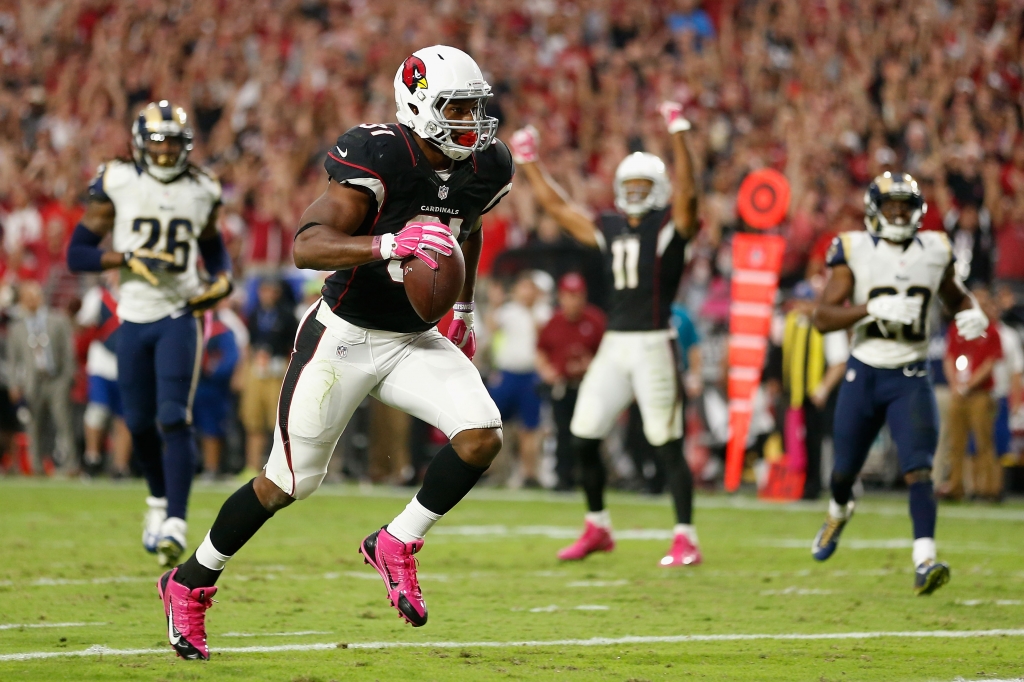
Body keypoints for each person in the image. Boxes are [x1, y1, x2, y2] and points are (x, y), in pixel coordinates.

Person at [158, 46, 514, 660]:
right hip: (343, 338)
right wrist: (388, 244)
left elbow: (469, 227)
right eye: (456, 109)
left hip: (413, 339)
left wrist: (463, 308)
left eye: (475, 109)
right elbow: (308, 244)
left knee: (481, 434)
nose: (471, 123)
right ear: (419, 106)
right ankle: (189, 581)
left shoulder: (487, 167)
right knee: (286, 483)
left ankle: (397, 541)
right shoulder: (378, 157)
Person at [510, 101, 701, 566]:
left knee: (666, 440)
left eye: (643, 186)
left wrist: (678, 133)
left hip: (655, 341)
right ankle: (598, 527)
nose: (635, 193)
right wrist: (529, 164)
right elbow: (558, 207)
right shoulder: (610, 227)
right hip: (616, 343)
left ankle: (685, 537)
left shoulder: (669, 227)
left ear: (657, 190)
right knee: (583, 433)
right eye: (629, 185)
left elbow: (690, 199)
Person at [66, 101, 234, 566]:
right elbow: (76, 253)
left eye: (172, 143)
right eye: (157, 142)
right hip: (132, 317)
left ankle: (176, 521)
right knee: (137, 421)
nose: (163, 152)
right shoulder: (118, 181)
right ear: (141, 144)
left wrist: (222, 279)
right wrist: (127, 259)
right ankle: (158, 500)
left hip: (180, 314)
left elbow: (215, 251)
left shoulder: (202, 187)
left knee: (171, 416)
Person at [810, 172, 989, 596]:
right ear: (875, 209)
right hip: (864, 371)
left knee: (919, 467)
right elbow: (822, 317)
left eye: (905, 205)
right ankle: (839, 509)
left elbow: (953, 293)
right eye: (891, 204)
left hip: (910, 373)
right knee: (842, 471)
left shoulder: (934, 248)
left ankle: (924, 560)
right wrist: (870, 308)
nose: (898, 212)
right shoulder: (853, 248)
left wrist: (971, 309)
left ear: (917, 211)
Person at [536, 273, 606, 491]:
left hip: (588, 388)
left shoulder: (595, 320)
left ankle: (589, 478)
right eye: (569, 295)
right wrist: (546, 371)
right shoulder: (554, 321)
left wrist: (590, 365)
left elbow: (608, 353)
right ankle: (563, 478)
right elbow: (541, 350)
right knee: (562, 433)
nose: (573, 300)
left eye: (577, 295)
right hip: (562, 387)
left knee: (588, 434)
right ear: (561, 296)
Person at [5, 280, 76, 474]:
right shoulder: (17, 328)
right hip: (31, 382)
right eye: (25, 298)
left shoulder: (57, 320)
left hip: (55, 378)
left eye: (32, 297)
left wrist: (67, 377)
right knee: (33, 426)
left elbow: (68, 352)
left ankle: (71, 465)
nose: (29, 302)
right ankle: (35, 466)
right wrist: (14, 384)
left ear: (40, 297)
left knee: (63, 422)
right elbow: (13, 360)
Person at [486, 272, 547, 487]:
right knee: (492, 424)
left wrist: (531, 310)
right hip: (507, 373)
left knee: (530, 428)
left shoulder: (542, 312)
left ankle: (530, 474)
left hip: (530, 375)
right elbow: (490, 329)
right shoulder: (507, 311)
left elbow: (544, 336)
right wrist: (495, 304)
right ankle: (492, 472)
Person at [238, 278, 297, 479]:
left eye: (272, 291)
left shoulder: (287, 316)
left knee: (277, 421)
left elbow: (294, 347)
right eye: (265, 290)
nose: (268, 295)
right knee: (253, 419)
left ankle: (277, 467)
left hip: (277, 370)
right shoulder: (254, 314)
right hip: (257, 369)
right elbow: (249, 342)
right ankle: (251, 465)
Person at [75, 275, 132, 477]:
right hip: (101, 361)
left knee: (125, 416)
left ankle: (120, 465)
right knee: (97, 410)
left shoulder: (135, 294)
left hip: (128, 363)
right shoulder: (97, 296)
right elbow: (82, 324)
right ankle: (92, 457)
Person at [193, 306, 240, 480]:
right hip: (189, 383)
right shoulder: (187, 328)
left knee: (210, 427)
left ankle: (211, 467)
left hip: (211, 386)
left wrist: (213, 370)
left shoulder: (222, 330)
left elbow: (230, 357)